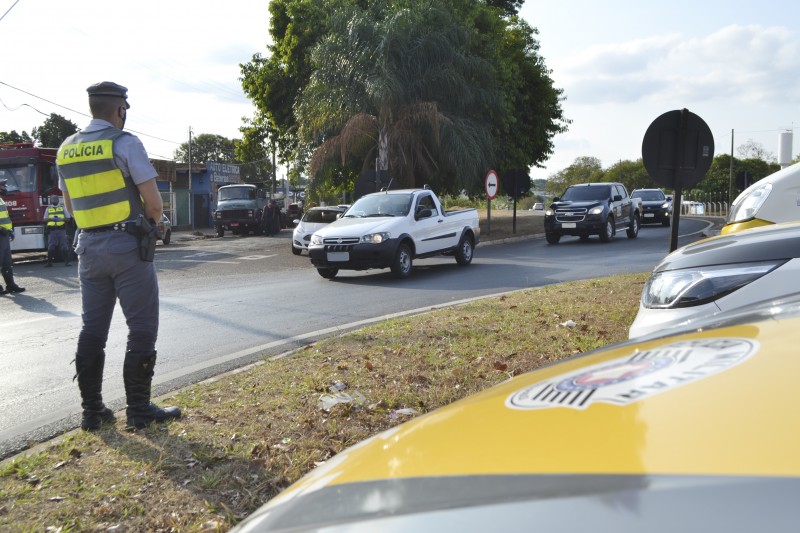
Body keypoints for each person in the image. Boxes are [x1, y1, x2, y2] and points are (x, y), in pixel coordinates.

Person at [56, 81, 180, 431]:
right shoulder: (125, 143)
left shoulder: (66, 149)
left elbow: (70, 208)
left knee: (92, 330)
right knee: (141, 328)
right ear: (120, 110)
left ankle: (92, 412)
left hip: (88, 249)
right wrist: (154, 225)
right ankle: (139, 410)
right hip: (127, 247)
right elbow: (154, 205)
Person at [0, 179, 25, 295]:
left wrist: (9, 230)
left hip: (4, 236)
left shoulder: (1, 200)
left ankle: (11, 285)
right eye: (3, 186)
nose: (6, 188)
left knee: (7, 262)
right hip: (1, 234)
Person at [43, 195, 71, 267]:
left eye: (56, 199)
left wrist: (61, 219)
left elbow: (68, 218)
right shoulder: (48, 209)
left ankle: (67, 262)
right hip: (52, 230)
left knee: (64, 246)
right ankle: (49, 263)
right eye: (53, 199)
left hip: (61, 229)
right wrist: (52, 219)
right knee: (51, 246)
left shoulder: (62, 208)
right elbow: (45, 219)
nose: (54, 201)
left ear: (58, 200)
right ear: (50, 201)